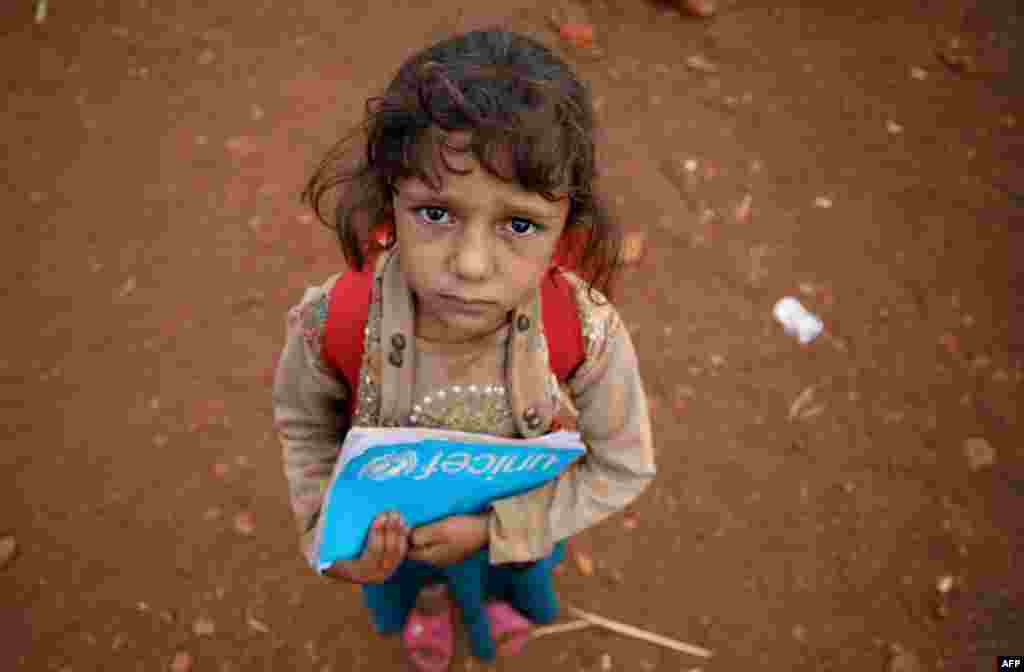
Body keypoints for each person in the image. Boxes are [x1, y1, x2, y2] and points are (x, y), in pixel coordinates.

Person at [273, 27, 656, 672]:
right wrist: (333, 539)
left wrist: (496, 533)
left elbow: (622, 466)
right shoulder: (332, 323)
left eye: (519, 224)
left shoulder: (586, 333)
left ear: (568, 227)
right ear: (387, 198)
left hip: (516, 537)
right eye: (436, 213)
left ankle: (502, 599)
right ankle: (426, 603)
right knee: (413, 579)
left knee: (511, 582)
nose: (472, 265)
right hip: (391, 546)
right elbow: (305, 429)